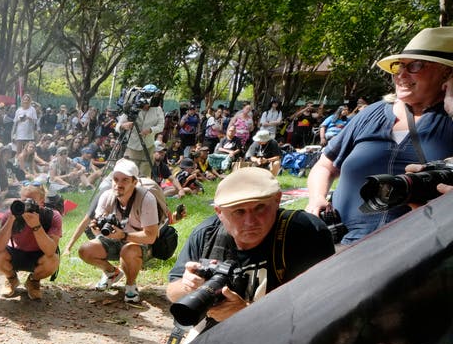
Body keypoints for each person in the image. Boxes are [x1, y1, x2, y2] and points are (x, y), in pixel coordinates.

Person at [306, 27, 453, 246]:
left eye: (415, 65)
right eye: (399, 66)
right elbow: (325, 166)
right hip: (343, 248)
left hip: (419, 254)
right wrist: (316, 197)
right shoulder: (371, 113)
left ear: (447, 73)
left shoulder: (449, 118)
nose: (402, 74)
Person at [166, 167, 333, 326]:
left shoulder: (304, 233)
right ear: (219, 212)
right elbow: (172, 292)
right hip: (215, 333)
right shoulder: (207, 234)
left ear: (277, 200)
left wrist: (245, 313)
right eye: (239, 211)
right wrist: (187, 285)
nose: (250, 222)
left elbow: (321, 311)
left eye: (260, 208)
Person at [78, 158, 160, 304]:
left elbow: (151, 236)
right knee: (85, 250)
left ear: (134, 182)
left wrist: (124, 235)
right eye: (116, 179)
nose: (118, 184)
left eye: (125, 180)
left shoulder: (146, 199)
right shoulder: (106, 196)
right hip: (114, 239)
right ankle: (111, 272)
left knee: (128, 251)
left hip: (138, 243)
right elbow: (100, 234)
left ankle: (130, 285)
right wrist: (97, 228)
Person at [0, 182, 60, 300]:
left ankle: (33, 281)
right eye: (24, 201)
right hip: (16, 252)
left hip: (38, 255)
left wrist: (36, 226)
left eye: (31, 201)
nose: (26, 204)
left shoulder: (52, 216)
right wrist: (12, 218)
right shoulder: (11, 214)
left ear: (42, 201)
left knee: (52, 261)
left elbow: (50, 251)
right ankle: (11, 278)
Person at [118, 86, 165, 176]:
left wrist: (151, 130)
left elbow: (161, 126)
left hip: (149, 145)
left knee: (144, 174)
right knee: (130, 173)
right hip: (133, 146)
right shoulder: (132, 107)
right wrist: (124, 126)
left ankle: (143, 189)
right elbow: (118, 126)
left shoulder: (157, 109)